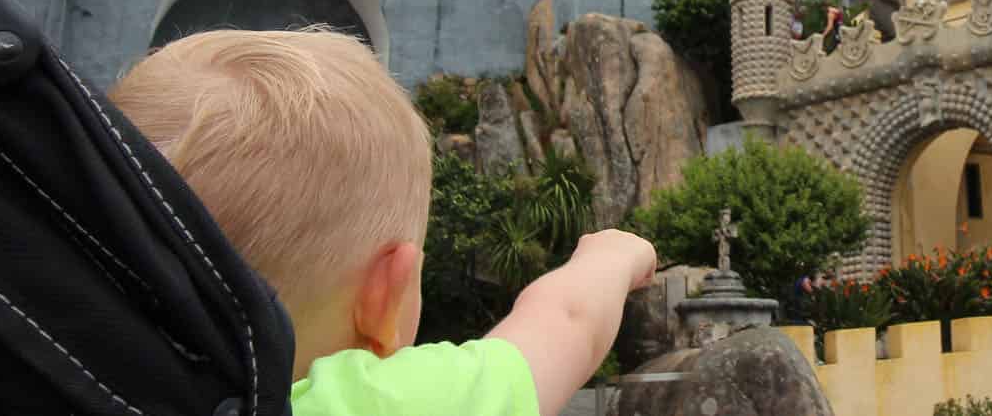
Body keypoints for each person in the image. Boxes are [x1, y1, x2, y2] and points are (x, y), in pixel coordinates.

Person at [110, 28, 657, 416]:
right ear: (383, 295)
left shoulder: (56, 377)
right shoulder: (373, 403)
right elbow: (568, 322)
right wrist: (612, 254)